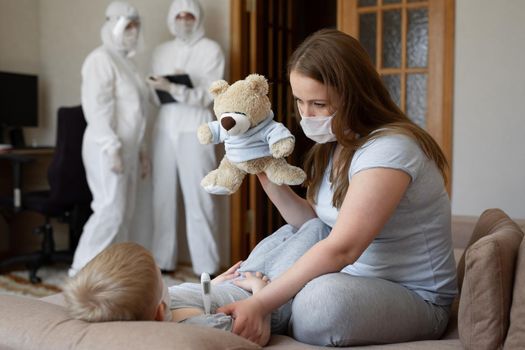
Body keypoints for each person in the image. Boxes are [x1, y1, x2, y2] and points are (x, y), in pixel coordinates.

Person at [217, 28, 458, 347]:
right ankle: (225, 296)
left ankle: (257, 303)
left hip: (415, 298)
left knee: (320, 303)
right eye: (300, 101)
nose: (306, 114)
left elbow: (343, 247)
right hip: (353, 278)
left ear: (354, 94)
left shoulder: (391, 149)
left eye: (318, 103)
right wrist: (261, 169)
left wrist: (263, 302)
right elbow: (313, 222)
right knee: (299, 238)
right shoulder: (337, 144)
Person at [64, 218, 329, 346]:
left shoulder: (162, 303)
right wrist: (261, 290)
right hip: (272, 297)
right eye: (162, 283)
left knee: (289, 230)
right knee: (315, 228)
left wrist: (215, 284)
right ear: (158, 313)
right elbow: (254, 335)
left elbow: (193, 294)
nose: (167, 286)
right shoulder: (198, 329)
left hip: (239, 280)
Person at [69, 1, 151, 277]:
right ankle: (79, 273)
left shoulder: (129, 64)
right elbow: (97, 107)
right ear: (113, 26)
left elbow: (137, 113)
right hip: (106, 148)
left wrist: (142, 152)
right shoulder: (100, 59)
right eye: (127, 26)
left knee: (125, 214)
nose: (133, 31)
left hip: (128, 149)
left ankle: (111, 275)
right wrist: (111, 146)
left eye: (136, 26)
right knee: (109, 211)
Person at [146, 0, 225, 276]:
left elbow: (209, 95)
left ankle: (208, 268)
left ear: (198, 18)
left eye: (188, 15)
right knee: (162, 198)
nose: (183, 20)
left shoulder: (211, 50)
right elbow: (154, 96)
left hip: (196, 126)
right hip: (166, 126)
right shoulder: (160, 51)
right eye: (178, 15)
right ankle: (163, 262)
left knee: (200, 198)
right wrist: (162, 88)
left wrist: (176, 88)